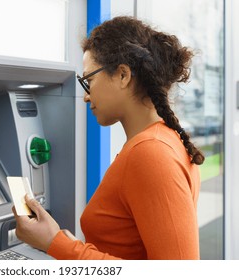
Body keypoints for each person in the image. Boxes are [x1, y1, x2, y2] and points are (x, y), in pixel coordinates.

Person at [12, 16, 204, 260]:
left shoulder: (151, 153)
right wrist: (75, 247)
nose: (86, 96)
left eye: (88, 81)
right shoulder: (158, 141)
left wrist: (56, 243)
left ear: (123, 75)